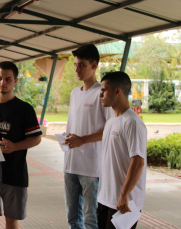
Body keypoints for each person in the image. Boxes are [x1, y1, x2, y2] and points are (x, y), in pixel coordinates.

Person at [0, 61, 42, 229]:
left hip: (15, 174)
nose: (3, 83)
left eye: (8, 79)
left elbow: (36, 138)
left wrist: (15, 146)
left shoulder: (24, 109)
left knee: (11, 221)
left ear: (15, 81)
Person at [62, 44, 114, 229]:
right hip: (70, 163)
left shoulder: (102, 93)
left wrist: (83, 140)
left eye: (82, 65)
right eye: (75, 64)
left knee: (90, 219)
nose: (77, 69)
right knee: (72, 218)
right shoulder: (75, 93)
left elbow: (110, 129)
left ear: (94, 65)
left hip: (92, 167)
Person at [98, 71, 147, 229]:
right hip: (105, 199)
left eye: (104, 90)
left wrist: (124, 194)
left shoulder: (132, 123)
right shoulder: (111, 121)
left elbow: (138, 162)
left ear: (117, 91)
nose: (100, 94)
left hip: (124, 203)